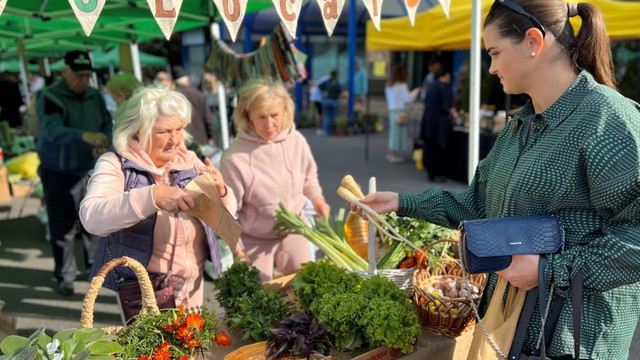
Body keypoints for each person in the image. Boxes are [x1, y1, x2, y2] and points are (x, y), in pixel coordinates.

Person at [353, 1, 640, 359]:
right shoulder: (521, 125)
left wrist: (547, 269)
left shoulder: (607, 120)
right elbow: (477, 206)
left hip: (573, 339)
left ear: (534, 42)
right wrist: (400, 202)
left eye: (495, 53)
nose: (491, 68)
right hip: (512, 331)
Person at [79, 86, 237, 312]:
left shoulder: (189, 159)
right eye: (164, 132)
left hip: (193, 283)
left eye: (179, 129)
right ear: (138, 131)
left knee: (194, 344)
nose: (175, 140)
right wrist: (153, 196)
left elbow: (227, 216)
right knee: (159, 348)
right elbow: (91, 217)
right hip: (146, 289)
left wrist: (221, 193)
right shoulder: (115, 163)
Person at [220, 78, 330, 281]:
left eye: (274, 115)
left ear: (285, 112)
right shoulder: (235, 157)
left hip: (294, 228)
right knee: (259, 297)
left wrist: (317, 200)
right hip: (254, 237)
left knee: (304, 283)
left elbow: (308, 176)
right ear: (248, 116)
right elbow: (228, 212)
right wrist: (237, 251)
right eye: (261, 117)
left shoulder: (296, 141)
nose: (269, 124)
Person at [36, 50, 112, 296]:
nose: (83, 81)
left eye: (87, 76)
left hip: (89, 170)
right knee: (63, 227)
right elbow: (50, 130)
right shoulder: (51, 96)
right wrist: (83, 136)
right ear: (65, 72)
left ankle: (95, 271)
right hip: (58, 171)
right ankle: (65, 275)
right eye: (78, 75)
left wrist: (103, 144)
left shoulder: (94, 96)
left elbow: (106, 125)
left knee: (93, 225)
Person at [420, 69, 458, 182]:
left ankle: (431, 171)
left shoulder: (431, 85)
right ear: (445, 76)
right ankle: (437, 173)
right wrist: (456, 115)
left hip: (428, 120)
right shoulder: (444, 86)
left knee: (430, 147)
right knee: (439, 148)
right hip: (440, 122)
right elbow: (447, 105)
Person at [172, 66, 216, 146]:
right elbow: (207, 118)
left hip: (184, 141)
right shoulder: (198, 94)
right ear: (187, 80)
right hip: (201, 138)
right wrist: (211, 136)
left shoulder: (173, 97)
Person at [384, 65, 420, 162]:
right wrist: (416, 91)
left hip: (392, 110)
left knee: (393, 133)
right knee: (397, 133)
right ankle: (393, 154)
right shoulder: (402, 85)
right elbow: (408, 98)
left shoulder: (389, 85)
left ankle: (391, 153)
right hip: (399, 110)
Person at [318, 70, 342, 136]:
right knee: (333, 117)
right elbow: (340, 92)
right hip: (335, 101)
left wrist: (324, 92)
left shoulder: (327, 82)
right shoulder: (337, 83)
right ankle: (332, 131)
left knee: (327, 116)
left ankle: (324, 130)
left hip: (327, 100)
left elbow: (319, 85)